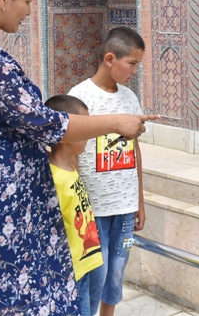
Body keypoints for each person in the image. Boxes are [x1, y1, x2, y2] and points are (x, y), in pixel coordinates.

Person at [0, 0, 154, 316]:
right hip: (1, 198)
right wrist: (116, 123)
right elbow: (44, 122)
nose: (28, 11)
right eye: (27, 1)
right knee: (14, 296)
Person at [68, 27, 145, 316]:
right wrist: (80, 209)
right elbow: (71, 154)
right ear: (110, 58)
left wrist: (139, 201)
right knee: (93, 276)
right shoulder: (80, 97)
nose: (134, 71)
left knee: (115, 273)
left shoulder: (129, 99)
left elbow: (135, 153)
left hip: (124, 207)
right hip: (94, 211)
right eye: (132, 64)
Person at [46, 95, 103, 316]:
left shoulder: (70, 168)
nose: (88, 134)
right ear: (66, 133)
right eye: (83, 127)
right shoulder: (54, 177)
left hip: (88, 260)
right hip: (72, 270)